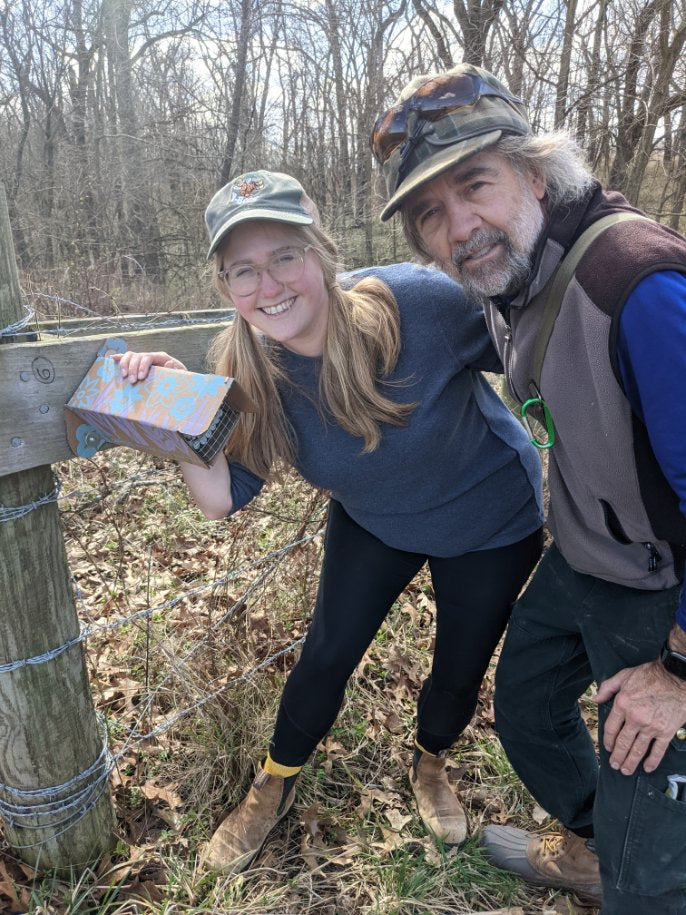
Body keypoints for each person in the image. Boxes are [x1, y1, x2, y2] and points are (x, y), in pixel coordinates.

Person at [116, 169, 544, 877]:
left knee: (459, 667)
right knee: (325, 653)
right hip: (375, 519)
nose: (270, 284)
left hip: (490, 519)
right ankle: (274, 780)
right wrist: (174, 411)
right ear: (224, 287)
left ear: (321, 253)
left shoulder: (419, 305)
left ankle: (430, 761)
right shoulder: (251, 374)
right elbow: (220, 498)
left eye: (285, 255)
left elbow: (538, 349)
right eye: (243, 270)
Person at [373, 62, 686, 914]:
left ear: (537, 171)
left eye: (475, 184)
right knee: (525, 708)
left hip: (663, 589)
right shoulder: (510, 279)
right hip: (586, 555)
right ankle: (600, 841)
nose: (458, 226)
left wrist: (678, 672)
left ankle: (640, 868)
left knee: (652, 864)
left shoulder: (637, 286)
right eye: (430, 213)